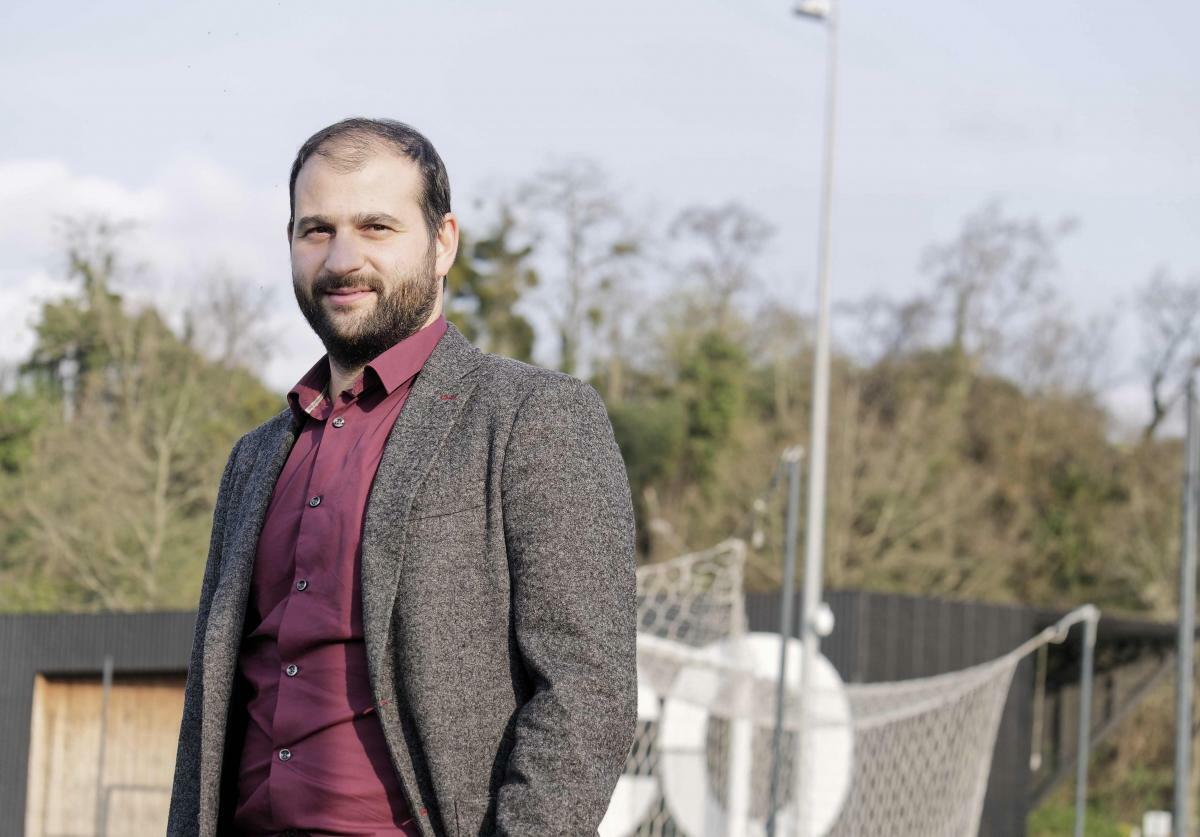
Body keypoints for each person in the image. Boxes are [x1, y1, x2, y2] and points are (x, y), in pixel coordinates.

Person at [167, 118, 637, 837]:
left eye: (376, 227)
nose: (342, 259)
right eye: (316, 230)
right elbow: (211, 716)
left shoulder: (533, 416)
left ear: (443, 241)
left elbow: (587, 691)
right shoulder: (253, 460)